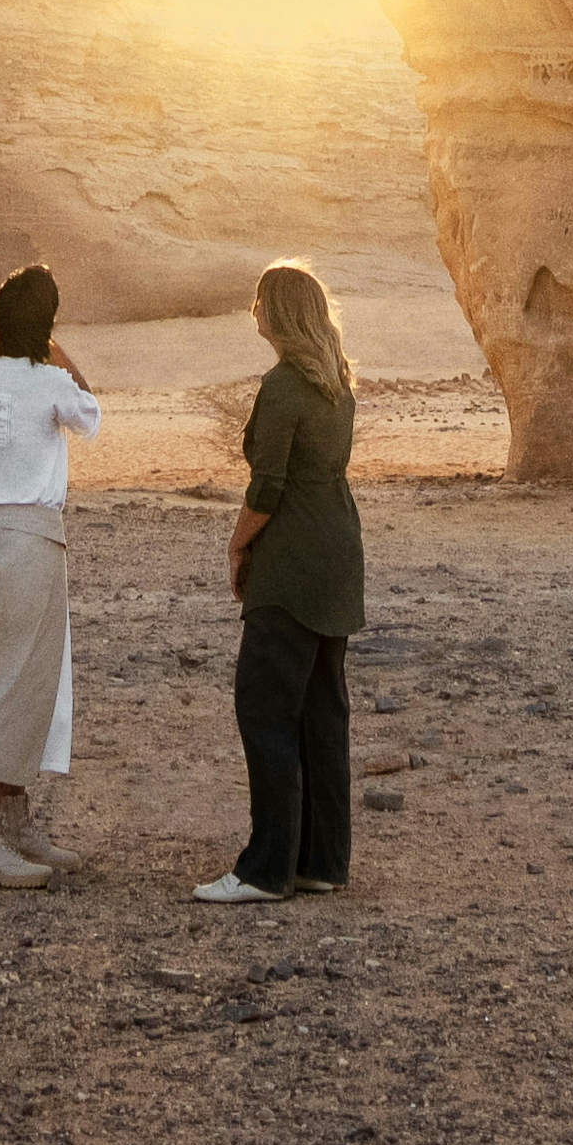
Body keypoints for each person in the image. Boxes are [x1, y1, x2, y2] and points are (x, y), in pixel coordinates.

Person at [201, 255, 363, 901]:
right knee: (322, 711)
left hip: (292, 559)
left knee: (264, 706)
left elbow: (266, 488)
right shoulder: (336, 381)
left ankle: (265, 869)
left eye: (261, 301)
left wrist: (237, 545)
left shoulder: (283, 386)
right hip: (338, 553)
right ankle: (321, 861)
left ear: (280, 314)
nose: (254, 311)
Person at [0, 262, 101, 883]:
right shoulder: (51, 380)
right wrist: (56, 349)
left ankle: (14, 824)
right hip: (34, 542)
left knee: (8, 679)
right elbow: (91, 413)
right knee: (15, 688)